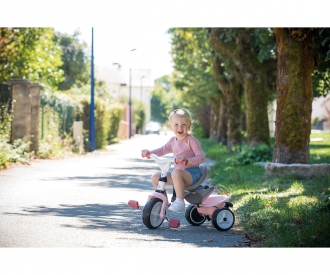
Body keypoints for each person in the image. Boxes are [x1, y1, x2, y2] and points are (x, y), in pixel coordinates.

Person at [141, 109, 205, 213]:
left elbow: (201, 158)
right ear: (170, 126)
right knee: (156, 178)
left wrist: (188, 161)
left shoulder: (191, 140)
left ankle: (179, 202)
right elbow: (162, 150)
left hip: (192, 173)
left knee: (176, 173)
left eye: (183, 124)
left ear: (189, 125)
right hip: (177, 174)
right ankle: (163, 203)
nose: (180, 127)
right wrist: (150, 152)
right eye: (176, 124)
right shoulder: (172, 141)